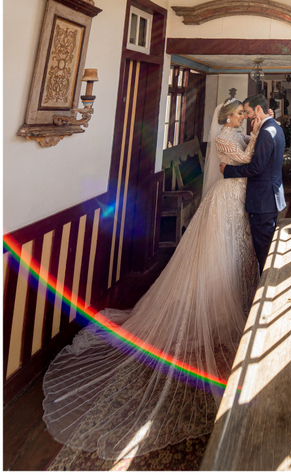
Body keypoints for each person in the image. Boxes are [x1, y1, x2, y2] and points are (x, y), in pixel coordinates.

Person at [42, 97, 259, 461]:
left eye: (242, 114)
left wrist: (251, 133)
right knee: (218, 253)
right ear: (226, 117)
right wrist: (256, 134)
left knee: (235, 251)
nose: (241, 117)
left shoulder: (233, 133)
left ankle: (230, 296)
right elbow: (243, 162)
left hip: (236, 199)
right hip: (224, 199)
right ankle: (213, 303)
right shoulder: (225, 137)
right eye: (238, 114)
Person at [221, 93, 286, 274]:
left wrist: (228, 170)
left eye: (248, 112)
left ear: (258, 109)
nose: (247, 117)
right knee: (267, 246)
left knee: (263, 250)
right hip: (269, 197)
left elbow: (256, 168)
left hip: (262, 200)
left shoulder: (266, 132)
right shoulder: (274, 127)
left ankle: (267, 289)